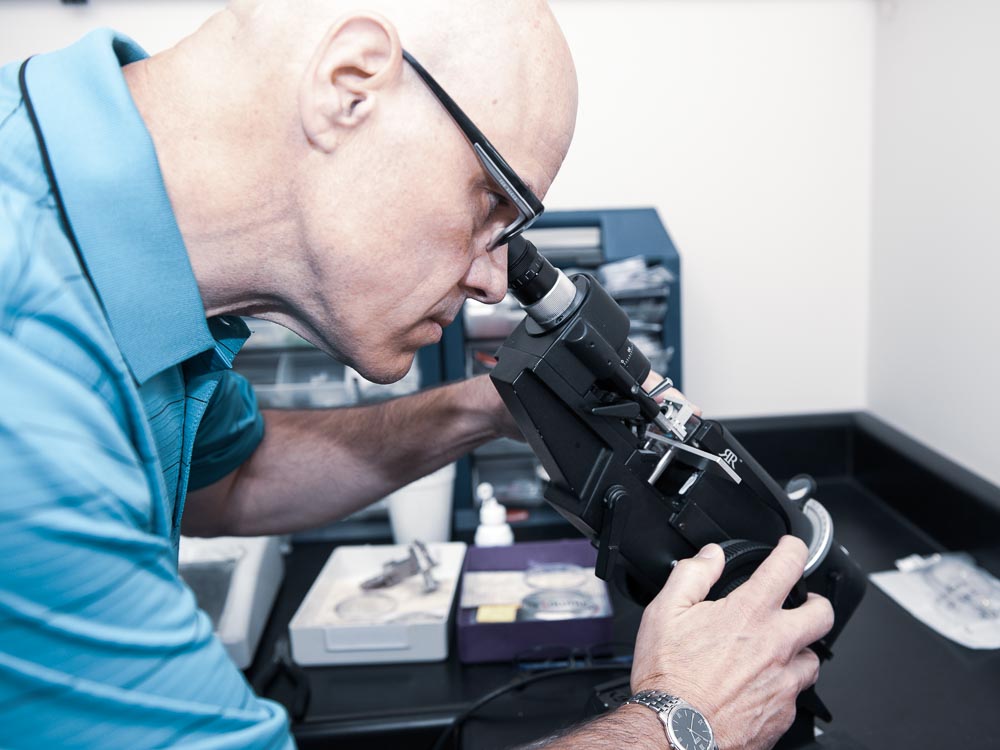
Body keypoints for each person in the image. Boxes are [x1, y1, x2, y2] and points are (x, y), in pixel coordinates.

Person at [0, 1, 834, 748]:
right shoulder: (26, 373)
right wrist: (683, 720)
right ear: (351, 83)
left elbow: (230, 478)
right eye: (489, 203)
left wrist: (489, 407)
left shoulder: (107, 257)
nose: (493, 278)